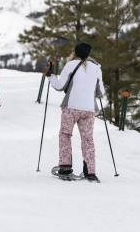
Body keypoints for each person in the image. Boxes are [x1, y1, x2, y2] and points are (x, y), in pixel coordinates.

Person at [44, 42, 105, 182]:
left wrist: (50, 76)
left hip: (71, 107)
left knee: (65, 135)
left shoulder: (70, 65)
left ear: (75, 53)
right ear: (88, 54)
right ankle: (90, 172)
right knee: (88, 139)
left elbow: (59, 86)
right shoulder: (96, 68)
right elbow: (101, 92)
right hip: (89, 109)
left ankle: (65, 168)